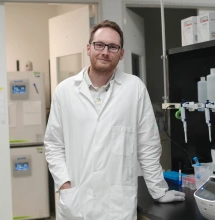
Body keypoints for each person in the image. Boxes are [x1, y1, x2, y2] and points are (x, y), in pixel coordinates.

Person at [44, 20, 185, 220]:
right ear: (88, 48)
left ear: (121, 53)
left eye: (112, 47)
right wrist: (64, 184)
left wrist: (159, 190)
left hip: (116, 207)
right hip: (76, 203)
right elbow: (53, 144)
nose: (105, 51)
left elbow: (148, 145)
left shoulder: (134, 88)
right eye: (99, 45)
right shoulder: (65, 91)